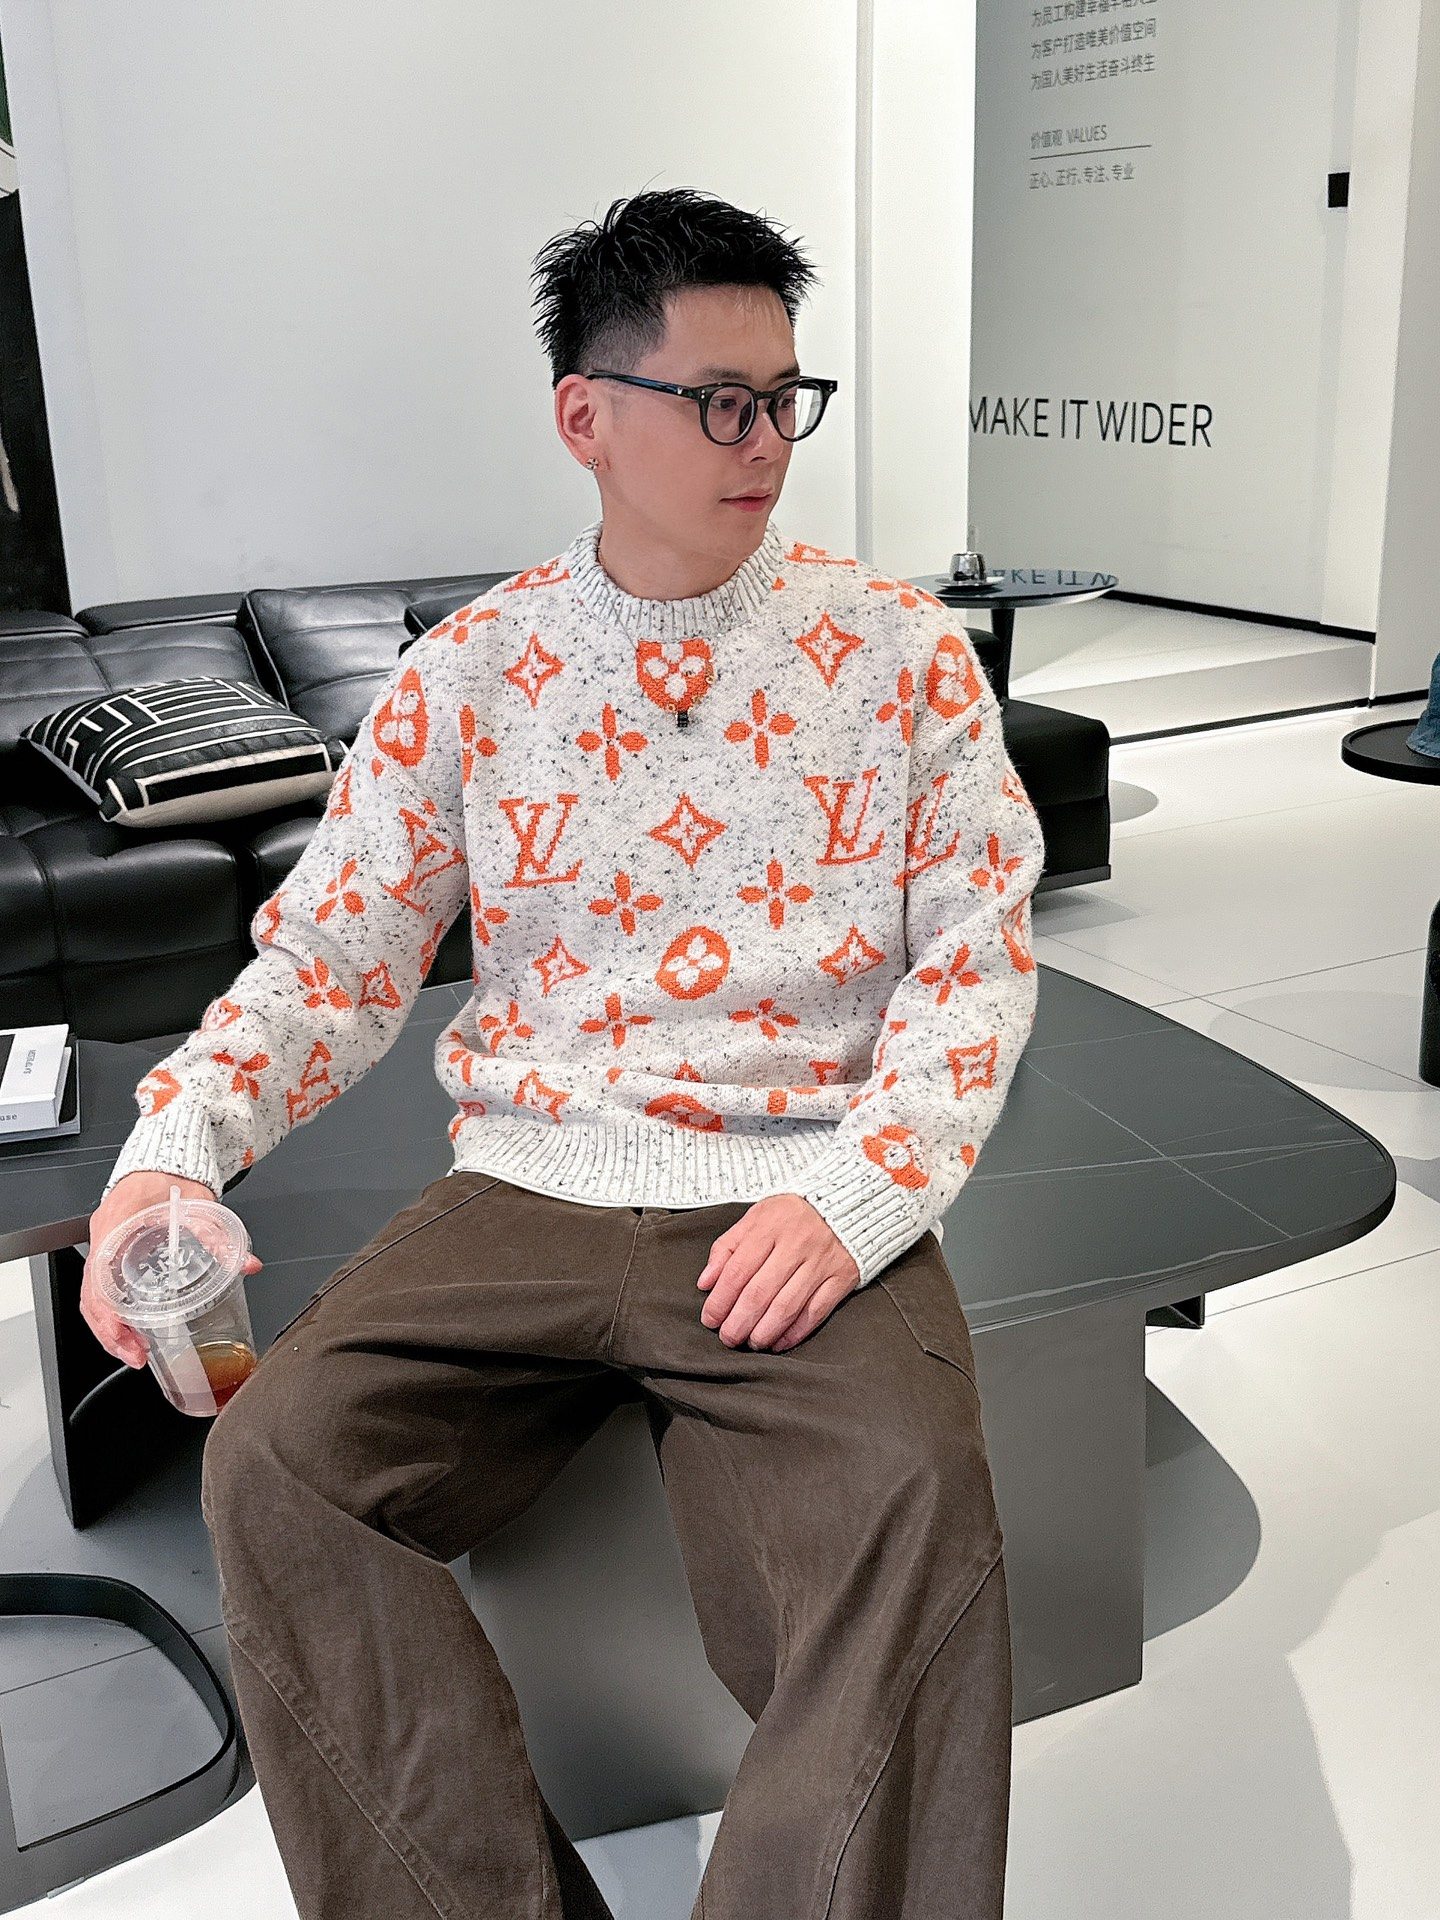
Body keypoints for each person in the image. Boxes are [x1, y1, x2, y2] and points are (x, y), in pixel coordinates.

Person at [82, 186, 1046, 1920]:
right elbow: (334, 956)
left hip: (794, 1189)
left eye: (788, 397)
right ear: (585, 418)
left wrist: (862, 1194)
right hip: (529, 1185)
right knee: (277, 1464)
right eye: (722, 401)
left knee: (910, 1503)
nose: (768, 442)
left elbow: (976, 965)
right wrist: (176, 1150)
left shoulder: (903, 658)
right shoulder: (474, 673)